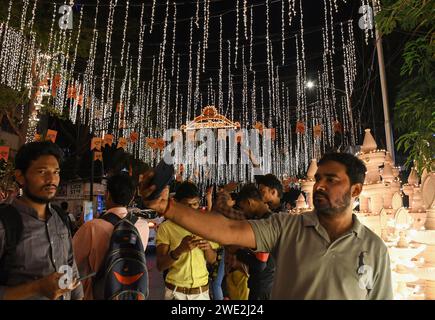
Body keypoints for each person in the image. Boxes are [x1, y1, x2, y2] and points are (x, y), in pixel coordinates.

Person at [140, 152, 393, 300]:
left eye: (331, 179)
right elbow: (226, 230)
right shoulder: (286, 227)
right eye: (318, 179)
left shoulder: (375, 249)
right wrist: (167, 207)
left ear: (356, 190)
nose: (320, 186)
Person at [0, 141, 83, 300]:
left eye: (56, 172)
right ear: (20, 177)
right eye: (42, 171)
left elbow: (70, 265)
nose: (52, 179)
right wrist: (36, 287)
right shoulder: (5, 223)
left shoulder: (61, 218)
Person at [72, 173, 149, 300]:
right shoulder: (142, 226)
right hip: (130, 295)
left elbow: (72, 262)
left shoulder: (91, 227)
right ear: (132, 197)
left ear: (107, 195)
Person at [156, 181, 218, 300]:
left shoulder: (206, 225)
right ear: (177, 203)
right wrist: (179, 251)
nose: (191, 209)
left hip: (201, 293)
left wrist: (208, 248)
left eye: (195, 204)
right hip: (175, 293)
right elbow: (160, 266)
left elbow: (212, 260)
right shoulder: (166, 228)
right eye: (187, 205)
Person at [230, 184, 275, 300]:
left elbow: (260, 264)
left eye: (243, 207)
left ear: (250, 202)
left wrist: (237, 251)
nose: (244, 212)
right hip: (266, 283)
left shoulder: (264, 223)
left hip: (262, 286)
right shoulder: (269, 219)